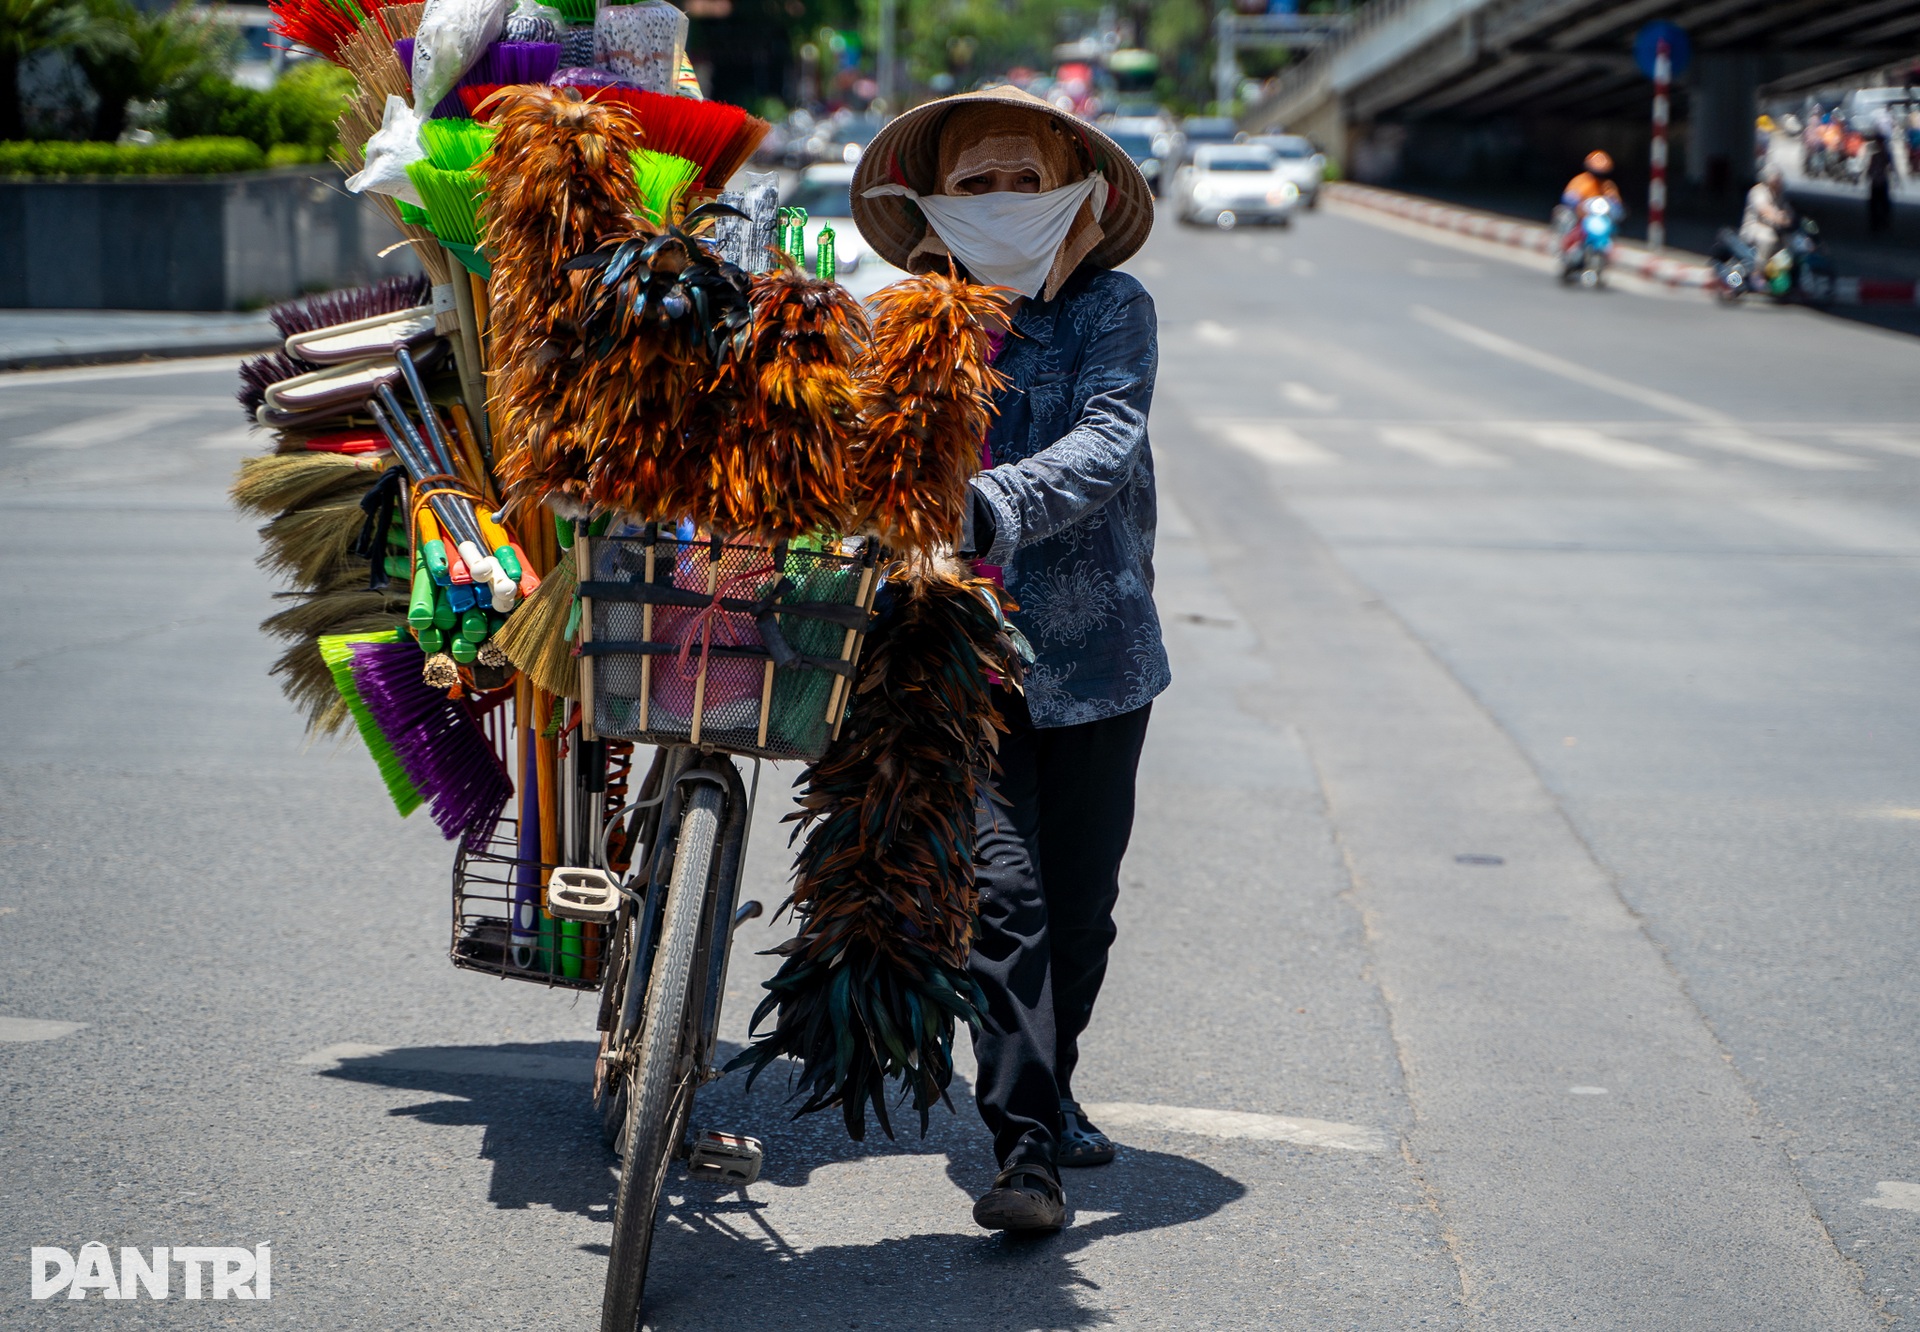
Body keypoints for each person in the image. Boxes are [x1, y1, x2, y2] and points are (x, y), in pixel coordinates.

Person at [851, 87, 1167, 1234]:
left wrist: (977, 504)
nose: (1000, 204)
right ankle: (1025, 1153)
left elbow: (1104, 444)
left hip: (1097, 658)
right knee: (1007, 902)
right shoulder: (901, 319)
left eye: (1023, 181)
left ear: (1078, 193)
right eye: (973, 184)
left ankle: (1056, 1086)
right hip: (954, 660)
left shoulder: (1113, 312)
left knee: (1082, 910)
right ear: (931, 204)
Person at [1741, 164, 1795, 272]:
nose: (1778, 182)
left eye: (1779, 179)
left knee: (1790, 243)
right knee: (1769, 239)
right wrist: (1778, 217)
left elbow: (1788, 211)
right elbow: (1764, 209)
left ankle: (1779, 273)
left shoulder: (1779, 194)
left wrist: (1791, 219)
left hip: (1775, 228)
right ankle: (1758, 272)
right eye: (1776, 179)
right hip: (1754, 227)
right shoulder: (1759, 191)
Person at [1867, 134, 1893, 233]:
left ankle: (1880, 223)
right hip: (1879, 181)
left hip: (1879, 181)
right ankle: (1878, 223)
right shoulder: (1879, 154)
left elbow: (1889, 166)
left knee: (1880, 204)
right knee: (1878, 204)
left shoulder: (1881, 154)